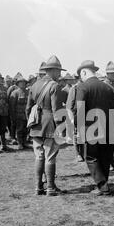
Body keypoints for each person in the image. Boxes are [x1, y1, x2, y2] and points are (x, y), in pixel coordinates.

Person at [73, 60, 114, 195]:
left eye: (81, 75)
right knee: (105, 157)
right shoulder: (108, 88)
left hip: (90, 129)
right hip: (109, 128)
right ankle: (103, 184)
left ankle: (103, 186)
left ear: (85, 72)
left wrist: (77, 127)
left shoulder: (83, 87)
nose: (81, 78)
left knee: (91, 158)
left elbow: (79, 111)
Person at [26, 55, 67, 196]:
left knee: (39, 156)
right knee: (50, 157)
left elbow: (28, 108)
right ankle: (50, 187)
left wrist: (32, 122)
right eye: (58, 71)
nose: (60, 74)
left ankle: (38, 187)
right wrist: (60, 128)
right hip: (50, 124)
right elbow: (56, 110)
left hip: (36, 124)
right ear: (53, 71)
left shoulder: (34, 85)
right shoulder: (54, 86)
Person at [66, 73, 84, 162]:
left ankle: (83, 153)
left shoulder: (86, 87)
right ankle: (78, 154)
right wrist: (72, 118)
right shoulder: (74, 89)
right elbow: (69, 105)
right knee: (76, 135)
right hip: (76, 114)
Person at [9, 73, 29, 150]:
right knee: (19, 129)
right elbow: (12, 106)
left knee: (26, 129)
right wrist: (13, 116)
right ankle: (20, 143)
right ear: (18, 84)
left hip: (26, 115)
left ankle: (24, 143)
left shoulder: (28, 92)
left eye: (24, 83)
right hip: (18, 114)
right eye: (21, 83)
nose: (23, 84)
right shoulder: (15, 93)